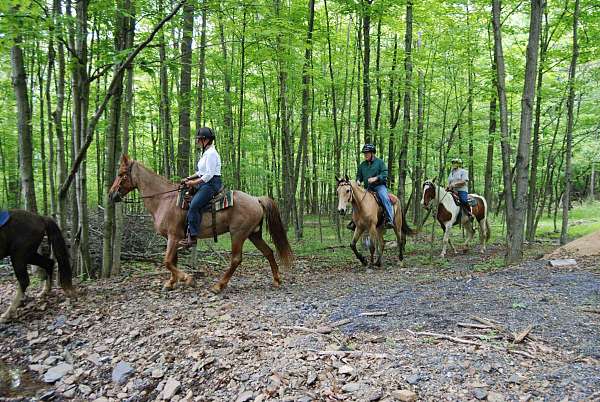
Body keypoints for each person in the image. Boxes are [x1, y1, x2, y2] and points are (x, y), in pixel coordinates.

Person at [178, 127, 222, 248]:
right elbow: (200, 172)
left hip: (211, 184)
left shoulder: (212, 154)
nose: (197, 142)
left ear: (205, 140)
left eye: (199, 139)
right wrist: (188, 178)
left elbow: (209, 174)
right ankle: (185, 231)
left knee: (194, 205)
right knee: (186, 199)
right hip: (204, 183)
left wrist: (193, 183)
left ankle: (192, 237)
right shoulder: (206, 153)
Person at [354, 143, 394, 229]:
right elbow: (359, 176)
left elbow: (384, 173)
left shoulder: (380, 162)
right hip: (367, 188)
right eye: (364, 153)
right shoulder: (362, 165)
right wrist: (358, 180)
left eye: (367, 153)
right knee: (356, 199)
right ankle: (355, 221)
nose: (365, 155)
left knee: (385, 197)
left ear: (372, 153)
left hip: (379, 186)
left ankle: (389, 219)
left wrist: (375, 178)